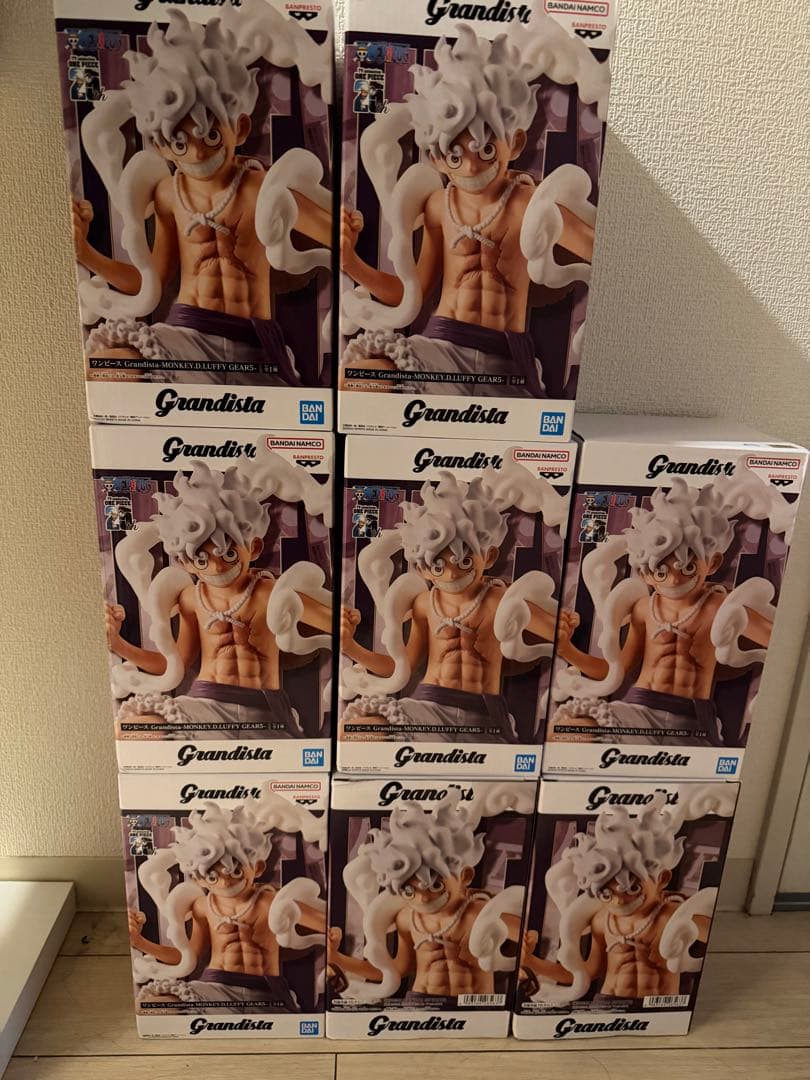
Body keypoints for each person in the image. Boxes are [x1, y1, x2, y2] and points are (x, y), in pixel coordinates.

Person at [340, 21, 610, 396]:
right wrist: (351, 262)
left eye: (485, 149)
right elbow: (411, 292)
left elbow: (600, 254)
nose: (470, 167)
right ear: (436, 156)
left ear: (515, 143)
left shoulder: (529, 205)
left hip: (507, 362)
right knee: (356, 378)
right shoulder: (439, 206)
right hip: (440, 348)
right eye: (454, 154)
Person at [71, 4, 332, 384]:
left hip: (255, 344)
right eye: (179, 142)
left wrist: (344, 229)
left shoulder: (260, 189)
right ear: (161, 145)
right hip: (185, 335)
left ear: (240, 128)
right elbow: (149, 281)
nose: (196, 153)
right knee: (106, 364)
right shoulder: (168, 194)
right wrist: (85, 253)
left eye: (210, 135)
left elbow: (333, 237)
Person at [109, 452, 332, 737]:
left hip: (265, 709)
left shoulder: (268, 592)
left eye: (228, 553)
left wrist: (343, 627)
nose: (217, 567)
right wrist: (117, 643)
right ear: (185, 562)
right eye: (201, 559)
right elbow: (173, 663)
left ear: (254, 548)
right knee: (131, 729)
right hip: (205, 704)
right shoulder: (192, 599)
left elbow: (333, 624)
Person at [340, 467, 569, 743]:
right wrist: (350, 646)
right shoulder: (425, 604)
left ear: (490, 555)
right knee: (355, 729)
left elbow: (556, 634)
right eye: (437, 566)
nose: (451, 574)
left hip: (484, 714)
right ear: (422, 568)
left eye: (464, 561)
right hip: (428, 707)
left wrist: (562, 627)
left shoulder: (500, 600)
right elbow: (401, 667)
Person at [131, 796, 326, 1011]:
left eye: (235, 871)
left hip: (267, 992)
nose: (225, 882)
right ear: (198, 878)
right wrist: (139, 941)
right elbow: (188, 957)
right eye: (212, 876)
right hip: (215, 988)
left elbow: (327, 926)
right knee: (150, 1006)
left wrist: (325, 943)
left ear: (258, 868)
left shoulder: (271, 902)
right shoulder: (203, 907)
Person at [328, 791, 523, 1002]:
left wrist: (490, 948)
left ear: (465, 876)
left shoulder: (478, 914)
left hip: (473, 1005)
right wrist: (338, 959)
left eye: (436, 885)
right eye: (409, 891)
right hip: (420, 1003)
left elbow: (526, 940)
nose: (423, 898)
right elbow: (397, 970)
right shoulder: (407, 919)